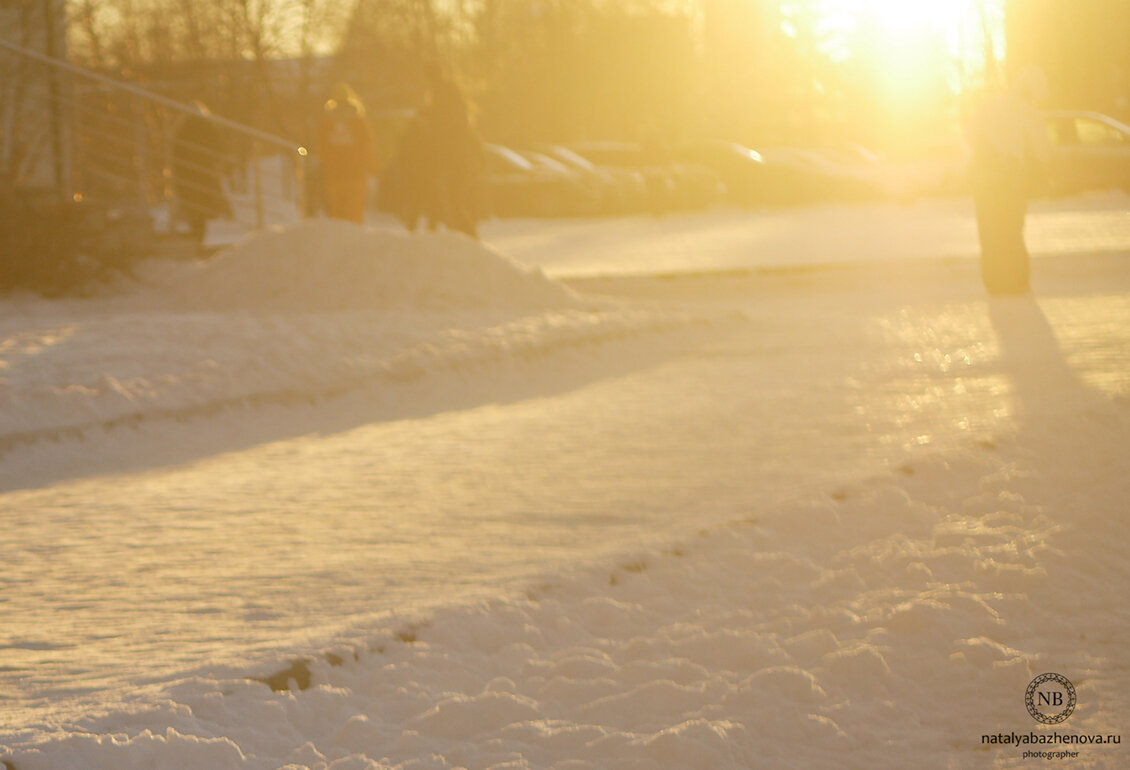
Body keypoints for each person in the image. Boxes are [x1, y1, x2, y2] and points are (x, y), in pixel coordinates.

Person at [967, 67, 1051, 295]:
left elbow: (971, 134)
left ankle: (994, 282)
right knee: (1012, 230)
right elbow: (1042, 151)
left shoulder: (988, 104)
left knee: (989, 230)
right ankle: (1016, 282)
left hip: (982, 177)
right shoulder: (1028, 111)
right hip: (1010, 178)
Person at [316, 83, 378, 224]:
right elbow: (368, 146)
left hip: (333, 175)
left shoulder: (327, 124)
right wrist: (373, 167)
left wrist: (326, 164)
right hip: (356, 174)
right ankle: (354, 242)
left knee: (336, 214)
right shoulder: (359, 123)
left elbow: (322, 149)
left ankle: (338, 241)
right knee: (354, 215)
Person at [172, 102, 232, 246]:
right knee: (203, 206)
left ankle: (197, 236)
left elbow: (177, 153)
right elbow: (218, 148)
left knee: (194, 208)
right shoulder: (208, 127)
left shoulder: (183, 129)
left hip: (188, 174)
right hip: (205, 173)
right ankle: (200, 236)